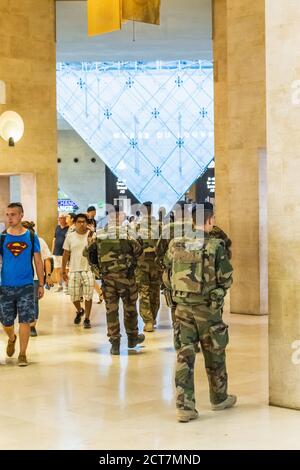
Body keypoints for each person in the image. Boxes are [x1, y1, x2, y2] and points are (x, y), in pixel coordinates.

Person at [164, 202, 236, 422]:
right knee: (214, 353)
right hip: (207, 310)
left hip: (182, 308)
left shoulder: (175, 243)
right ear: (210, 220)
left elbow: (167, 273)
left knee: (184, 356)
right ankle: (219, 398)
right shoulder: (215, 245)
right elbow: (226, 278)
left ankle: (184, 407)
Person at [85, 206, 145, 355]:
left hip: (107, 279)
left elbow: (87, 252)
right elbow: (139, 251)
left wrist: (99, 269)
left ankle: (115, 343)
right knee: (130, 309)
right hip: (127, 278)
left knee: (111, 310)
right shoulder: (128, 233)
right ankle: (132, 338)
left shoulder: (98, 234)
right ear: (120, 216)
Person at [0, 203, 44, 366]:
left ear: (21, 216)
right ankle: (11, 338)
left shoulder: (31, 237)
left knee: (25, 320)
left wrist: (40, 284)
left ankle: (23, 354)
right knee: (6, 322)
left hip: (26, 285)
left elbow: (38, 261)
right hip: (5, 286)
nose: (9, 218)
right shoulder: (2, 238)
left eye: (13, 214)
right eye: (7, 214)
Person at [62, 213, 95, 328]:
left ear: (87, 223)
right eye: (79, 222)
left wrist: (92, 234)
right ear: (75, 223)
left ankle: (87, 319)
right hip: (74, 269)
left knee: (88, 296)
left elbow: (94, 251)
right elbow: (66, 253)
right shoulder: (70, 236)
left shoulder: (91, 235)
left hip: (88, 269)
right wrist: (63, 271)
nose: (82, 224)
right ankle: (80, 310)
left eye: (84, 222)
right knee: (74, 296)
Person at [22, 221, 53, 337]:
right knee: (23, 301)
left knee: (34, 302)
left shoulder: (39, 241)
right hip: (21, 277)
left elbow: (46, 260)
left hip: (35, 277)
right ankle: (25, 323)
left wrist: (47, 277)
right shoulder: (17, 241)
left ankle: (32, 325)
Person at [136, 201, 162, 332]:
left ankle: (149, 320)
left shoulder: (136, 226)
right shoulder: (159, 225)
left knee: (145, 291)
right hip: (154, 263)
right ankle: (151, 318)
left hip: (143, 263)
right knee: (153, 291)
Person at [52, 213, 68, 292]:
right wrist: (52, 251)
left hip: (64, 252)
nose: (61, 219)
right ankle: (59, 285)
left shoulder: (68, 228)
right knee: (57, 269)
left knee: (65, 270)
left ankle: (66, 286)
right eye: (60, 218)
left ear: (65, 219)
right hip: (56, 252)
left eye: (62, 218)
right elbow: (54, 239)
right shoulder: (57, 228)